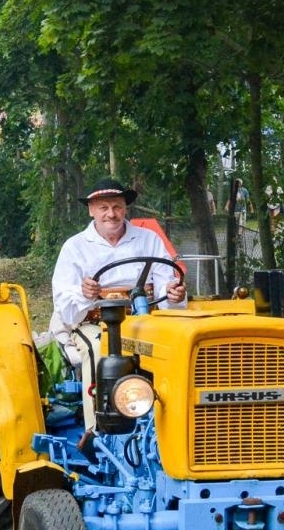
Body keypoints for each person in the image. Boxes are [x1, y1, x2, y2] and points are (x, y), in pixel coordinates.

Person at [50, 179, 186, 426]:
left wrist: (175, 295)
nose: (111, 214)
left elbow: (168, 288)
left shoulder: (149, 239)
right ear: (91, 210)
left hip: (146, 320)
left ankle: (173, 424)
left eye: (117, 206)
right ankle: (98, 428)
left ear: (126, 208)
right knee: (98, 351)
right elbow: (67, 311)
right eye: (104, 208)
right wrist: (86, 294)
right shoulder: (75, 247)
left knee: (177, 350)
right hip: (94, 321)